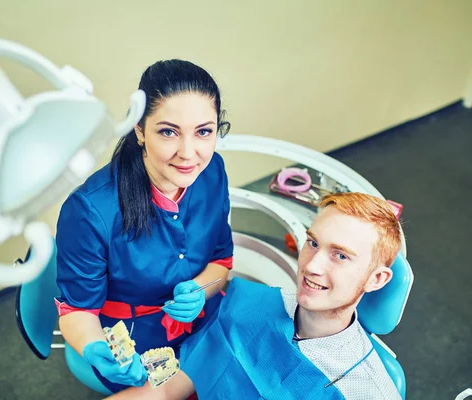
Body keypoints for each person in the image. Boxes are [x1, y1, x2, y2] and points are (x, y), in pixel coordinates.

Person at [107, 192, 403, 400]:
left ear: (377, 279)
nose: (311, 266)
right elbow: (168, 389)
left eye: (340, 255)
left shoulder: (366, 391)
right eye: (313, 243)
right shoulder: (250, 307)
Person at [54, 59, 234, 393]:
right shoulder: (90, 210)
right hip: (135, 340)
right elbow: (77, 310)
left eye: (203, 132)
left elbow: (221, 263)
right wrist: (96, 348)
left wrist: (199, 289)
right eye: (168, 132)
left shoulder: (212, 173)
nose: (188, 153)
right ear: (139, 129)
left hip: (205, 320)